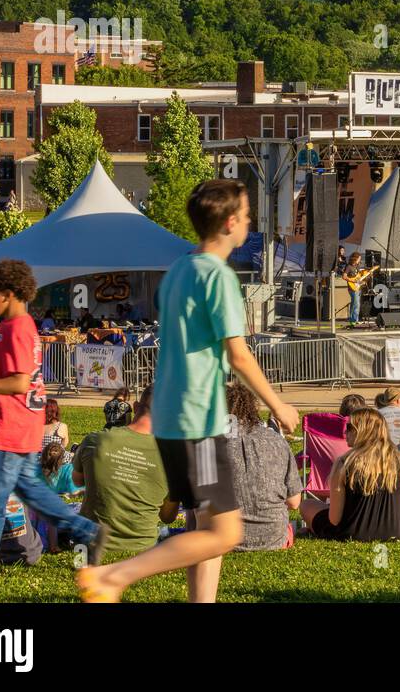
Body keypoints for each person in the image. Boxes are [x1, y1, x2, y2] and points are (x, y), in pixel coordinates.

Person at [74, 179, 299, 603]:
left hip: (172, 419)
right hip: (200, 419)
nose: (250, 220)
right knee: (225, 533)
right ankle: (114, 576)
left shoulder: (179, 268)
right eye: (247, 213)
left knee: (205, 528)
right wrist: (279, 405)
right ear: (231, 222)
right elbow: (239, 355)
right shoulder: (219, 277)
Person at [0, 260, 103, 584]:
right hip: (18, 428)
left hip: (7, 429)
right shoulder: (16, 328)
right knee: (34, 493)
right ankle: (87, 531)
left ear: (7, 293)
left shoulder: (17, 329)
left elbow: (19, 383)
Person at [72, 384, 176, 556]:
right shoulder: (172, 458)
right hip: (143, 549)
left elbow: (77, 480)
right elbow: (168, 517)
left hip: (87, 545)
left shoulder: (94, 440)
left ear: (134, 408)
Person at [300, 408, 400, 541]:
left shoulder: (344, 463)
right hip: (394, 531)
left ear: (362, 431)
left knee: (306, 505)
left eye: (349, 427)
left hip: (351, 533)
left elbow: (334, 519)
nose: (344, 431)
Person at [223, 380, 302, 552]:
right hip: (274, 538)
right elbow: (295, 502)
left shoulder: (211, 444)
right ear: (253, 407)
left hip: (221, 537)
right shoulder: (276, 441)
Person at [342, 252, 375, 325]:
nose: (359, 260)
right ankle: (353, 320)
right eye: (359, 259)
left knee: (357, 304)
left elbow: (359, 277)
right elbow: (344, 276)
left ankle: (355, 320)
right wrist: (352, 280)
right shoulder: (349, 266)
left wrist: (367, 276)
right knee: (355, 303)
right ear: (355, 258)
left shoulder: (357, 267)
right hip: (352, 288)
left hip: (357, 287)